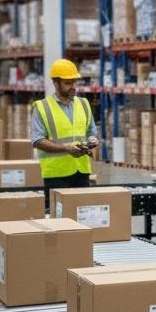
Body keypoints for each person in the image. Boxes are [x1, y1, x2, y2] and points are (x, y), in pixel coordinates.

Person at [31, 58, 98, 207]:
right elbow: (37, 140)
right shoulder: (42, 108)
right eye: (68, 83)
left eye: (74, 82)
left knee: (82, 216)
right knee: (59, 222)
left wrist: (93, 140)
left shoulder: (84, 104)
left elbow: (91, 131)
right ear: (55, 83)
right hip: (56, 175)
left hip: (82, 172)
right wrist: (66, 148)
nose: (73, 87)